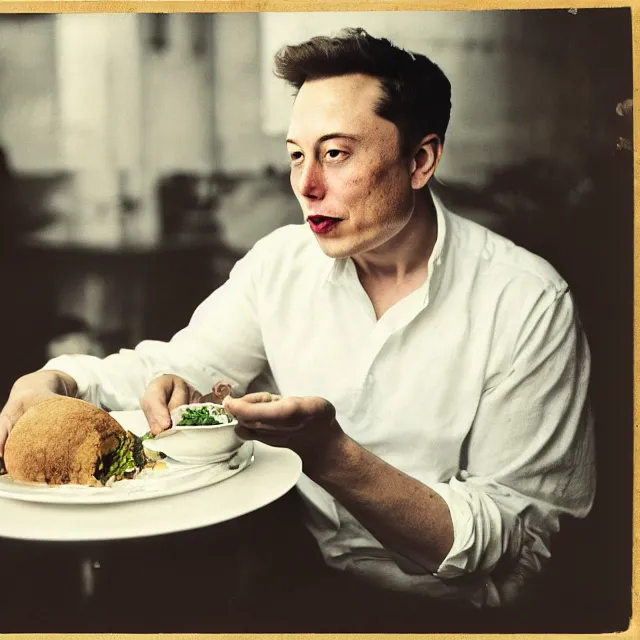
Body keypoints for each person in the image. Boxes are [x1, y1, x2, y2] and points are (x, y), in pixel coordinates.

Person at [0, 28, 595, 629]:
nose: (306, 186)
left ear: (421, 160)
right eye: (295, 154)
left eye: (335, 153)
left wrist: (330, 454)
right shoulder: (280, 263)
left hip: (457, 615)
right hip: (297, 577)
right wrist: (62, 380)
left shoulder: (526, 301)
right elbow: (182, 368)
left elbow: (515, 548)